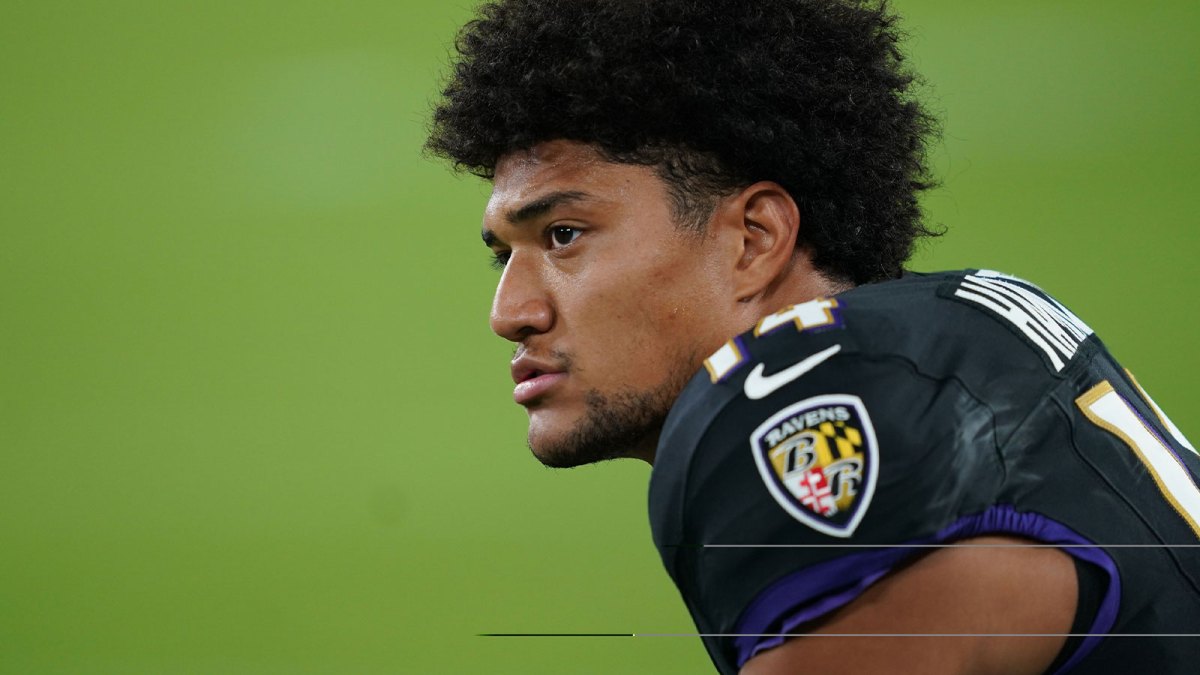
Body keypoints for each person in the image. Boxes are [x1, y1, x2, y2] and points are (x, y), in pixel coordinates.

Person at [425, 0, 1200, 672]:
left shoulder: (791, 401)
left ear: (754, 238)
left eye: (563, 234)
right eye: (504, 255)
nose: (510, 311)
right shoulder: (955, 327)